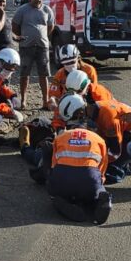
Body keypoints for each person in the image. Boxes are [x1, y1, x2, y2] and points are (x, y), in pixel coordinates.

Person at [43, 94, 112, 225]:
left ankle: (61, 201)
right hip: (90, 179)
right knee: (95, 189)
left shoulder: (60, 138)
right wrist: (98, 183)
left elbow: (53, 165)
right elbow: (102, 168)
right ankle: (99, 198)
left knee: (54, 190)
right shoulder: (98, 140)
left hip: (63, 180)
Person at [12, 0, 56, 109]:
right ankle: (23, 101)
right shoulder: (22, 10)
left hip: (42, 47)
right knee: (24, 74)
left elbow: (51, 26)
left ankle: (45, 101)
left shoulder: (47, 10)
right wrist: (22, 36)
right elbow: (15, 26)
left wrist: (41, 36)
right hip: (26, 47)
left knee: (44, 75)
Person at [46, 44, 98, 110]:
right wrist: (53, 100)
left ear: (78, 58)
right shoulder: (59, 74)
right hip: (67, 104)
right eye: (66, 63)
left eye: (72, 62)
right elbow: (53, 93)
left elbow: (94, 90)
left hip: (86, 103)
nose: (70, 65)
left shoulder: (89, 70)